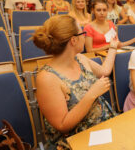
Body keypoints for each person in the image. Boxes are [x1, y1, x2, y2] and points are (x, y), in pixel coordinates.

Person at [33, 15, 117, 149]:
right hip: (75, 140)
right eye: (83, 33)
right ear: (73, 40)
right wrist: (92, 94)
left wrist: (113, 47)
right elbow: (62, 125)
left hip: (103, 127)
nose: (85, 36)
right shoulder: (47, 78)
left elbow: (104, 71)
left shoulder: (79, 58)